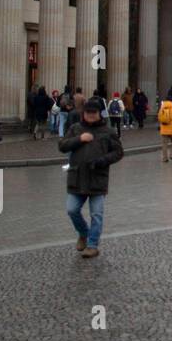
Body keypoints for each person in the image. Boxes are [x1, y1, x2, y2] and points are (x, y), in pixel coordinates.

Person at [59, 97, 124, 258]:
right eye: (88, 112)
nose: (90, 115)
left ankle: (92, 245)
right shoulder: (76, 128)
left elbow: (118, 152)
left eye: (93, 113)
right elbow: (62, 146)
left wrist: (102, 161)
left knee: (96, 214)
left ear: (99, 114)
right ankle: (84, 233)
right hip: (77, 177)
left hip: (97, 179)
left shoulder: (108, 131)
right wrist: (79, 139)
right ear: (84, 113)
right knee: (72, 210)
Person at [157, 99, 172, 163]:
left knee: (164, 144)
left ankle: (165, 158)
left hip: (164, 130)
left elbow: (159, 118)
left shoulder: (161, 108)